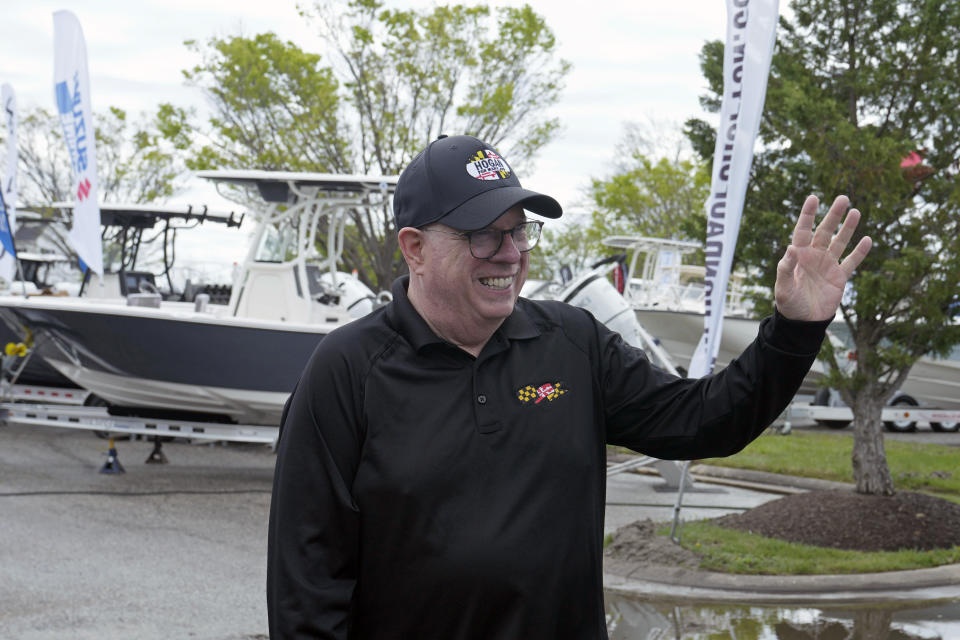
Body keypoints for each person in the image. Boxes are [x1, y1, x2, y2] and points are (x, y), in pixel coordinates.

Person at [267, 134, 872, 639]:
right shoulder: (347, 371)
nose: (510, 255)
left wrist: (795, 329)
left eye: (519, 231)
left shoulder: (571, 343)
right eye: (483, 234)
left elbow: (706, 420)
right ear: (415, 248)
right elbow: (307, 584)